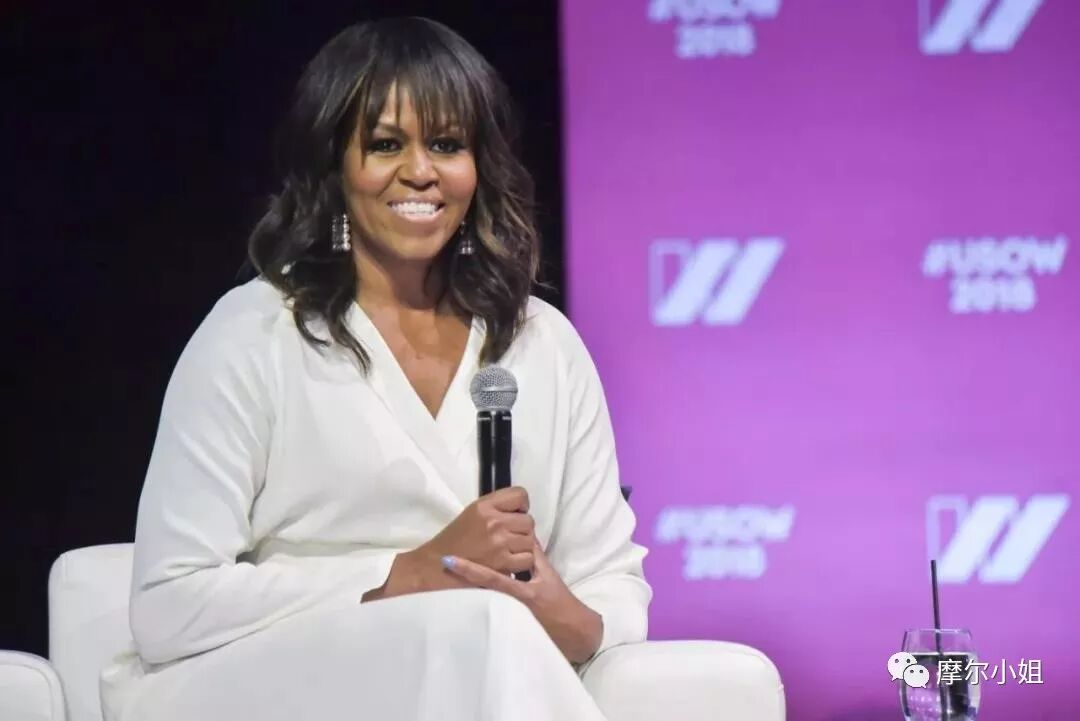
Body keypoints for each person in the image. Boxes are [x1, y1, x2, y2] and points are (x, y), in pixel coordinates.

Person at [99, 16, 651, 721]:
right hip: (282, 682)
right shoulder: (254, 334)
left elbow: (614, 586)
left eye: (447, 145)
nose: (420, 171)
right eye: (386, 144)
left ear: (479, 169)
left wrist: (557, 610)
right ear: (334, 168)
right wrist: (404, 575)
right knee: (478, 629)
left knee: (489, 631)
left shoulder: (542, 342)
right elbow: (168, 602)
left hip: (493, 671)